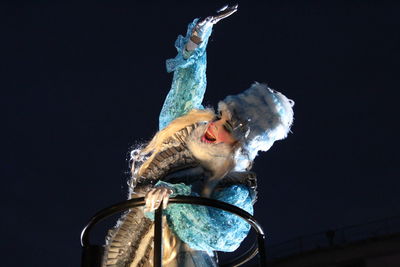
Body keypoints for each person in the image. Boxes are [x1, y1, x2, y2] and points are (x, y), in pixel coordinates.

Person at [102, 5, 294, 267]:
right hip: (137, 255)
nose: (214, 127)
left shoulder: (234, 186)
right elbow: (186, 83)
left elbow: (225, 234)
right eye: (220, 117)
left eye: (228, 129)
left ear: (242, 147)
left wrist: (173, 198)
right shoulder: (181, 132)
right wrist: (197, 39)